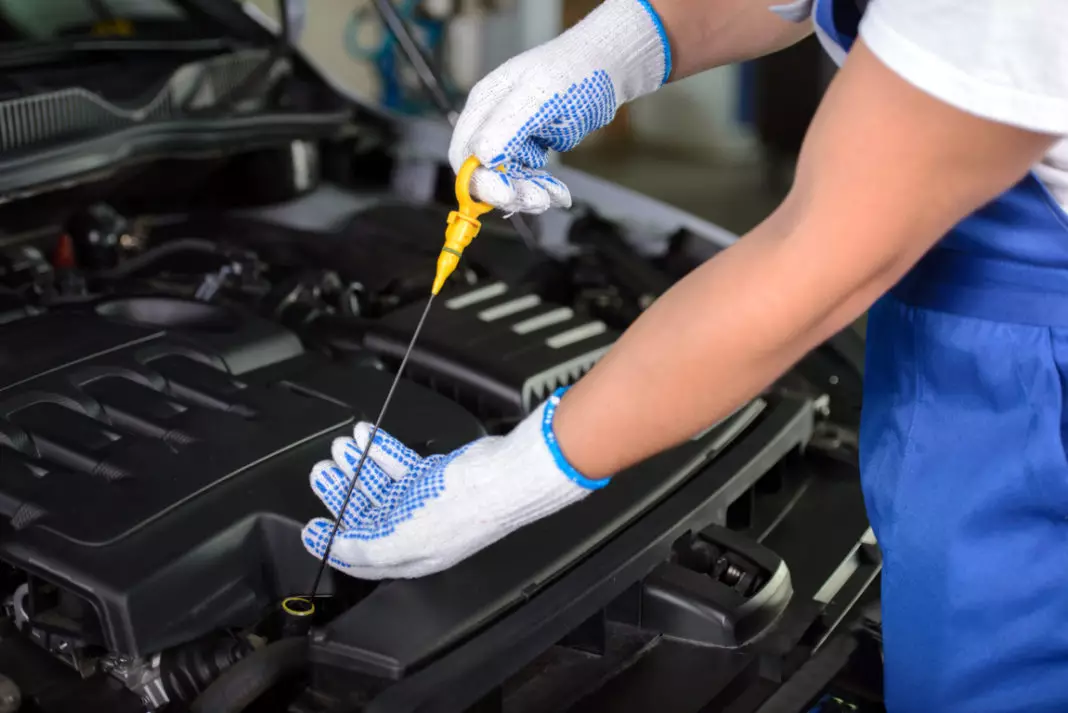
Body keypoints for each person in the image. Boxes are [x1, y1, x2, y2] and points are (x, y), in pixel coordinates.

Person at [301, 1, 1068, 710]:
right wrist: (608, 51)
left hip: (1035, 371)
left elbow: (813, 258)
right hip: (945, 318)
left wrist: (504, 480)